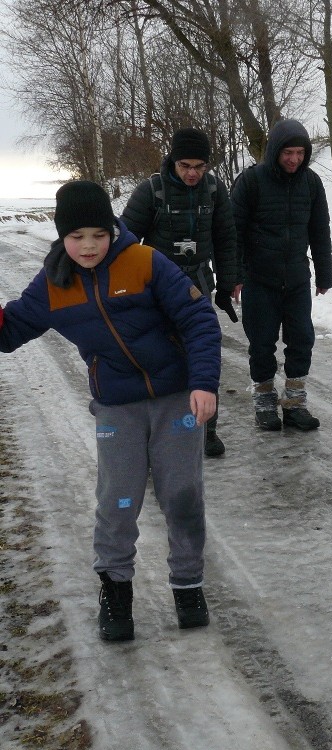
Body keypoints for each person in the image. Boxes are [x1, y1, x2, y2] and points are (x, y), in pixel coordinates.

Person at [0, 180, 222, 641]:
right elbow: (11, 330)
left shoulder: (143, 261)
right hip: (117, 406)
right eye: (77, 236)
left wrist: (203, 382)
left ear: (112, 230)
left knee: (182, 495)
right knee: (118, 501)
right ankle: (116, 590)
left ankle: (188, 585)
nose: (88, 246)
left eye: (98, 235)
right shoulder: (52, 285)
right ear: (62, 236)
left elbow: (198, 318)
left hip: (175, 398)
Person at [121, 127, 239, 458]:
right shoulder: (151, 191)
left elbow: (226, 238)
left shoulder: (214, 190)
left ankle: (206, 430)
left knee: (203, 353)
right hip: (158, 289)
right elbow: (124, 241)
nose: (192, 173)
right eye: (185, 165)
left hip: (198, 285)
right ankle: (155, 433)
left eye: (199, 166)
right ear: (173, 160)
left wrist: (227, 284)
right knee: (158, 358)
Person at [231, 118, 332, 431]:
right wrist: (234, 275)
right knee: (262, 343)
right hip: (259, 278)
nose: (294, 159)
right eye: (288, 153)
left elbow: (319, 231)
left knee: (301, 340)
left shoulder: (311, 183)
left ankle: (294, 403)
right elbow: (234, 232)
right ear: (275, 151)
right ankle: (264, 401)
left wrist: (324, 273)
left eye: (300, 153)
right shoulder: (251, 182)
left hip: (297, 278)